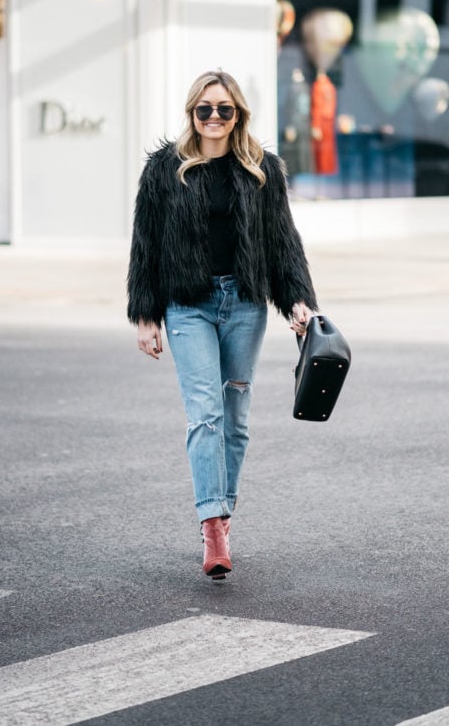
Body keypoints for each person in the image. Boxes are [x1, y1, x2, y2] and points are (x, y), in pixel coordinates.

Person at [127, 70, 317, 579]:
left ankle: (222, 512)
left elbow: (282, 242)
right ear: (192, 113)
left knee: (234, 414)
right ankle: (212, 524)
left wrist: (299, 300)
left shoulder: (263, 170)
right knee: (205, 412)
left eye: (224, 110)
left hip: (245, 303)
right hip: (187, 303)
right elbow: (145, 244)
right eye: (204, 109)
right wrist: (146, 314)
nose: (213, 118)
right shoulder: (165, 170)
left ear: (239, 116)